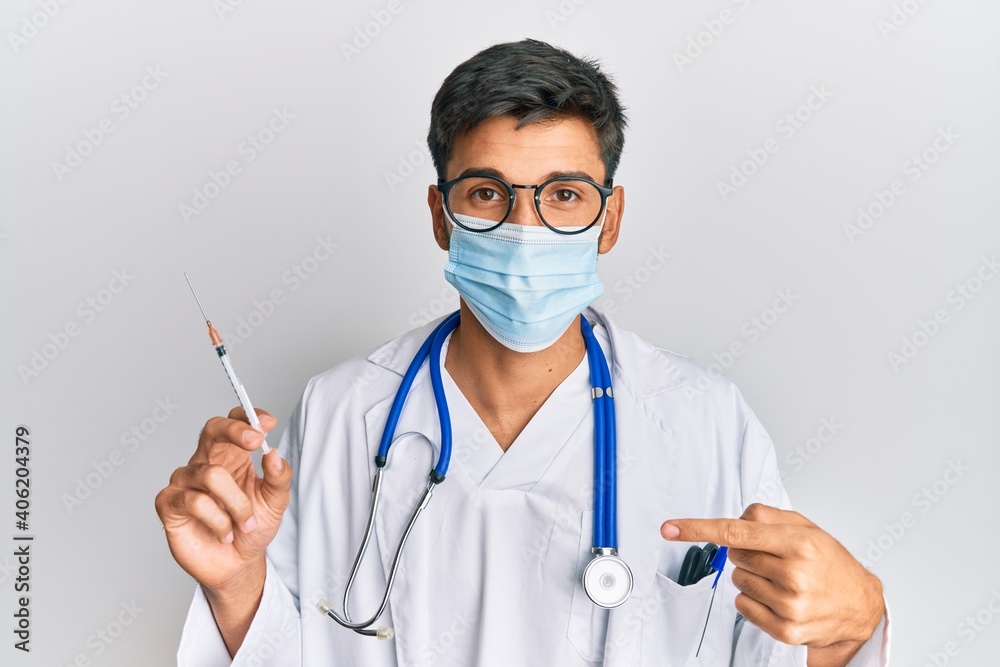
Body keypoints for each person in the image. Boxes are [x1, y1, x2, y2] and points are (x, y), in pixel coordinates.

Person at [156, 38, 890, 666]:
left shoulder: (704, 420)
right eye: (486, 193)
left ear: (611, 219)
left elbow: (780, 644)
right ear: (442, 218)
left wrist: (853, 625)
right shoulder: (345, 410)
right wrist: (235, 583)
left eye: (564, 195)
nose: (525, 228)